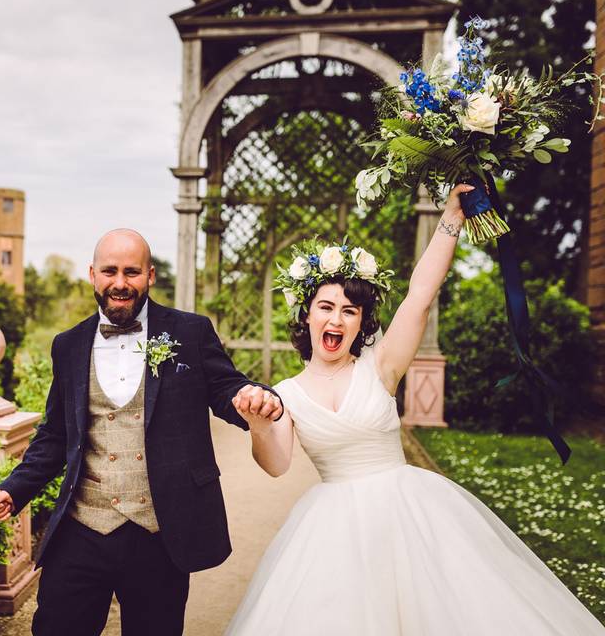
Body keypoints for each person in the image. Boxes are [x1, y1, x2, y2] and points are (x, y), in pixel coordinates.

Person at [225, 183, 605, 635]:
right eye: (325, 307)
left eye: (349, 311)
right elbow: (275, 464)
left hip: (410, 512)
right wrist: (257, 426)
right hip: (333, 531)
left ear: (361, 323)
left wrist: (451, 219)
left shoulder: (380, 365)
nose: (336, 320)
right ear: (306, 315)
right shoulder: (287, 392)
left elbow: (421, 294)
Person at [0, 228, 284, 636]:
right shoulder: (68, 345)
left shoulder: (190, 332)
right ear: (92, 274)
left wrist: (256, 400)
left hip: (160, 532)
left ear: (151, 275)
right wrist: (15, 487)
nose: (120, 283)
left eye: (132, 272)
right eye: (110, 271)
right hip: (81, 528)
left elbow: (225, 389)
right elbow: (55, 435)